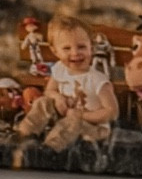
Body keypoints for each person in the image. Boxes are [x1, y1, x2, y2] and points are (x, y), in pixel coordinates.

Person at [17, 11, 117, 154]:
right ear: (55, 51)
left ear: (92, 47)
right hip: (65, 119)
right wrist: (58, 97)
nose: (75, 53)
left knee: (72, 121)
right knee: (43, 102)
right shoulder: (59, 68)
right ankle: (24, 135)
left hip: (93, 127)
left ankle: (48, 151)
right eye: (67, 48)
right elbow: (49, 91)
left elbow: (111, 112)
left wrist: (81, 115)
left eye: (81, 47)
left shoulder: (98, 80)